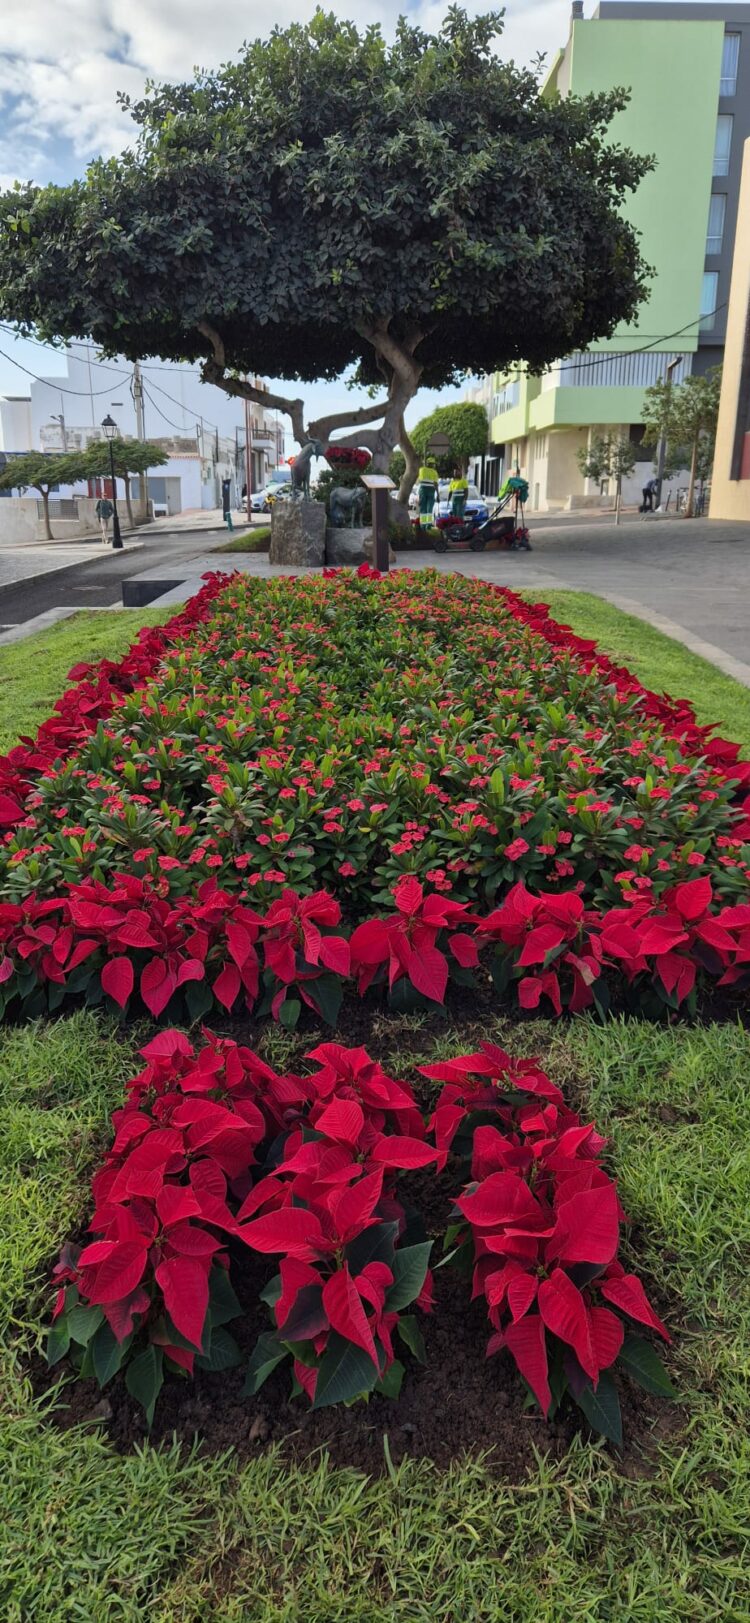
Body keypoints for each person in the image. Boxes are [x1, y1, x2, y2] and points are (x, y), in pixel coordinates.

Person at [417, 460, 439, 529]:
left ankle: (423, 526)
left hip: (423, 490)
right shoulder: (434, 472)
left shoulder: (421, 469)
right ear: (432, 464)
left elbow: (418, 481)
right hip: (431, 491)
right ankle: (428, 525)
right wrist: (438, 494)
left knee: (423, 509)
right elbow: (436, 484)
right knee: (429, 509)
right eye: (433, 464)